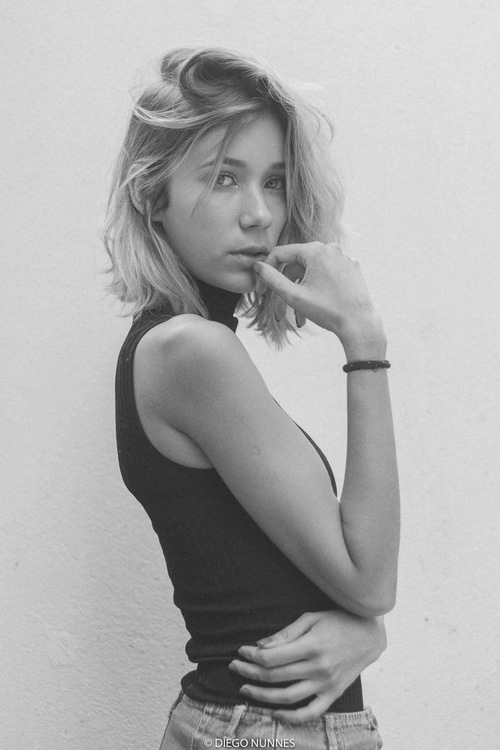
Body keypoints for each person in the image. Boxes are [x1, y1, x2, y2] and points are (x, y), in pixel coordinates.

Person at [104, 46, 399, 749]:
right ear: (153, 195)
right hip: (267, 731)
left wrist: (366, 627)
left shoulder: (178, 346)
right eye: (224, 179)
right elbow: (369, 580)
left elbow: (330, 582)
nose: (259, 214)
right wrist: (363, 338)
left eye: (274, 182)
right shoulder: (190, 352)